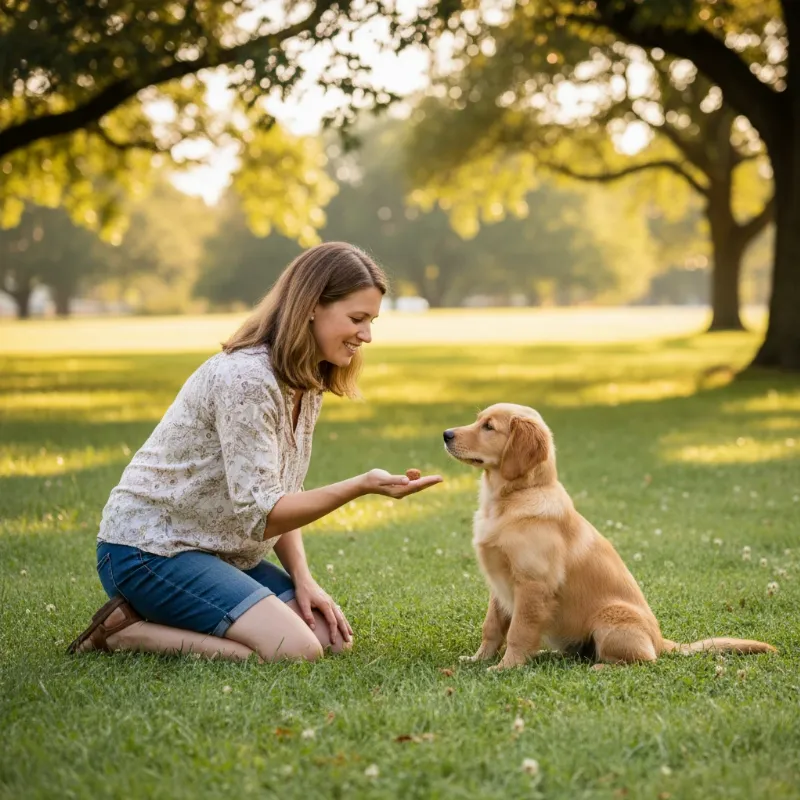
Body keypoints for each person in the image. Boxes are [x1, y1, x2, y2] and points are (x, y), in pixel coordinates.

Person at [67, 242, 443, 663]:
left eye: (371, 321)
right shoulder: (246, 379)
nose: (366, 335)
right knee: (297, 650)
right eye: (357, 319)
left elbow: (281, 492)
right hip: (150, 549)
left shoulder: (307, 378)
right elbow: (263, 513)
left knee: (329, 636)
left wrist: (304, 580)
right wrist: (359, 486)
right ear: (312, 306)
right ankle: (123, 634)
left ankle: (165, 617)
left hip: (217, 550)